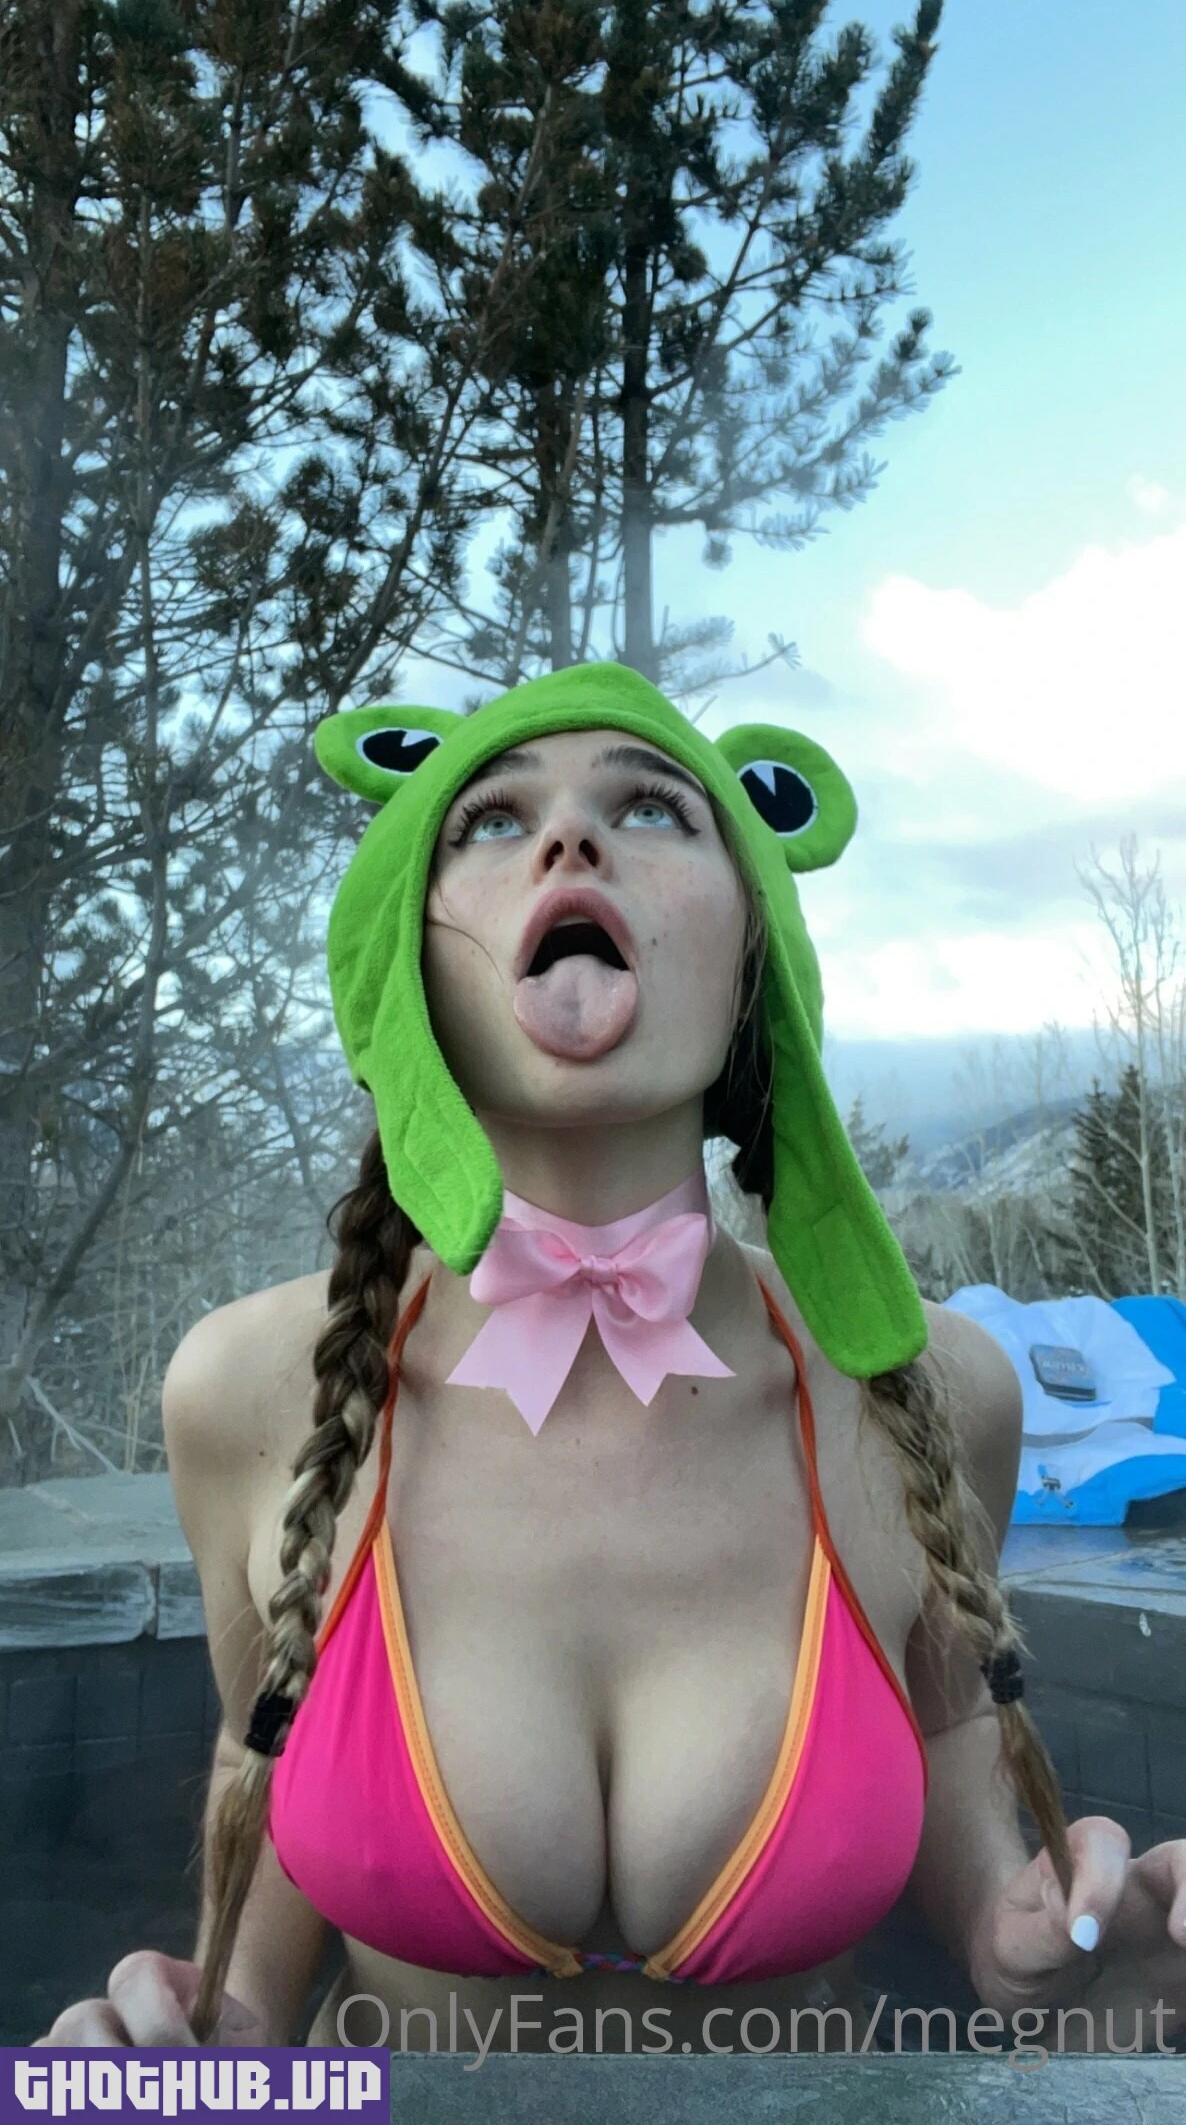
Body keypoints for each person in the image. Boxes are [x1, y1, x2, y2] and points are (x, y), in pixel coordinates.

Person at [36, 666, 1186, 2054]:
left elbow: (945, 1750)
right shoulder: (244, 1390)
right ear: (404, 961)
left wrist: (1032, 1947)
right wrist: (233, 2023)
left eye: (651, 809)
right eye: (489, 820)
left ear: (754, 949)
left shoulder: (931, 1390)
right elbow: (264, 1752)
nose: (570, 836)